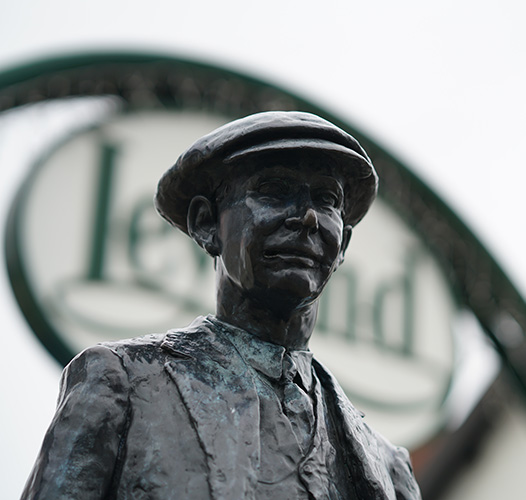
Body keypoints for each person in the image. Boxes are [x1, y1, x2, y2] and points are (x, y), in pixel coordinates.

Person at [22, 111, 421, 499]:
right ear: (206, 224)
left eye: (327, 198)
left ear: (344, 245)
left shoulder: (388, 468)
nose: (309, 217)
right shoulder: (122, 383)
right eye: (275, 191)